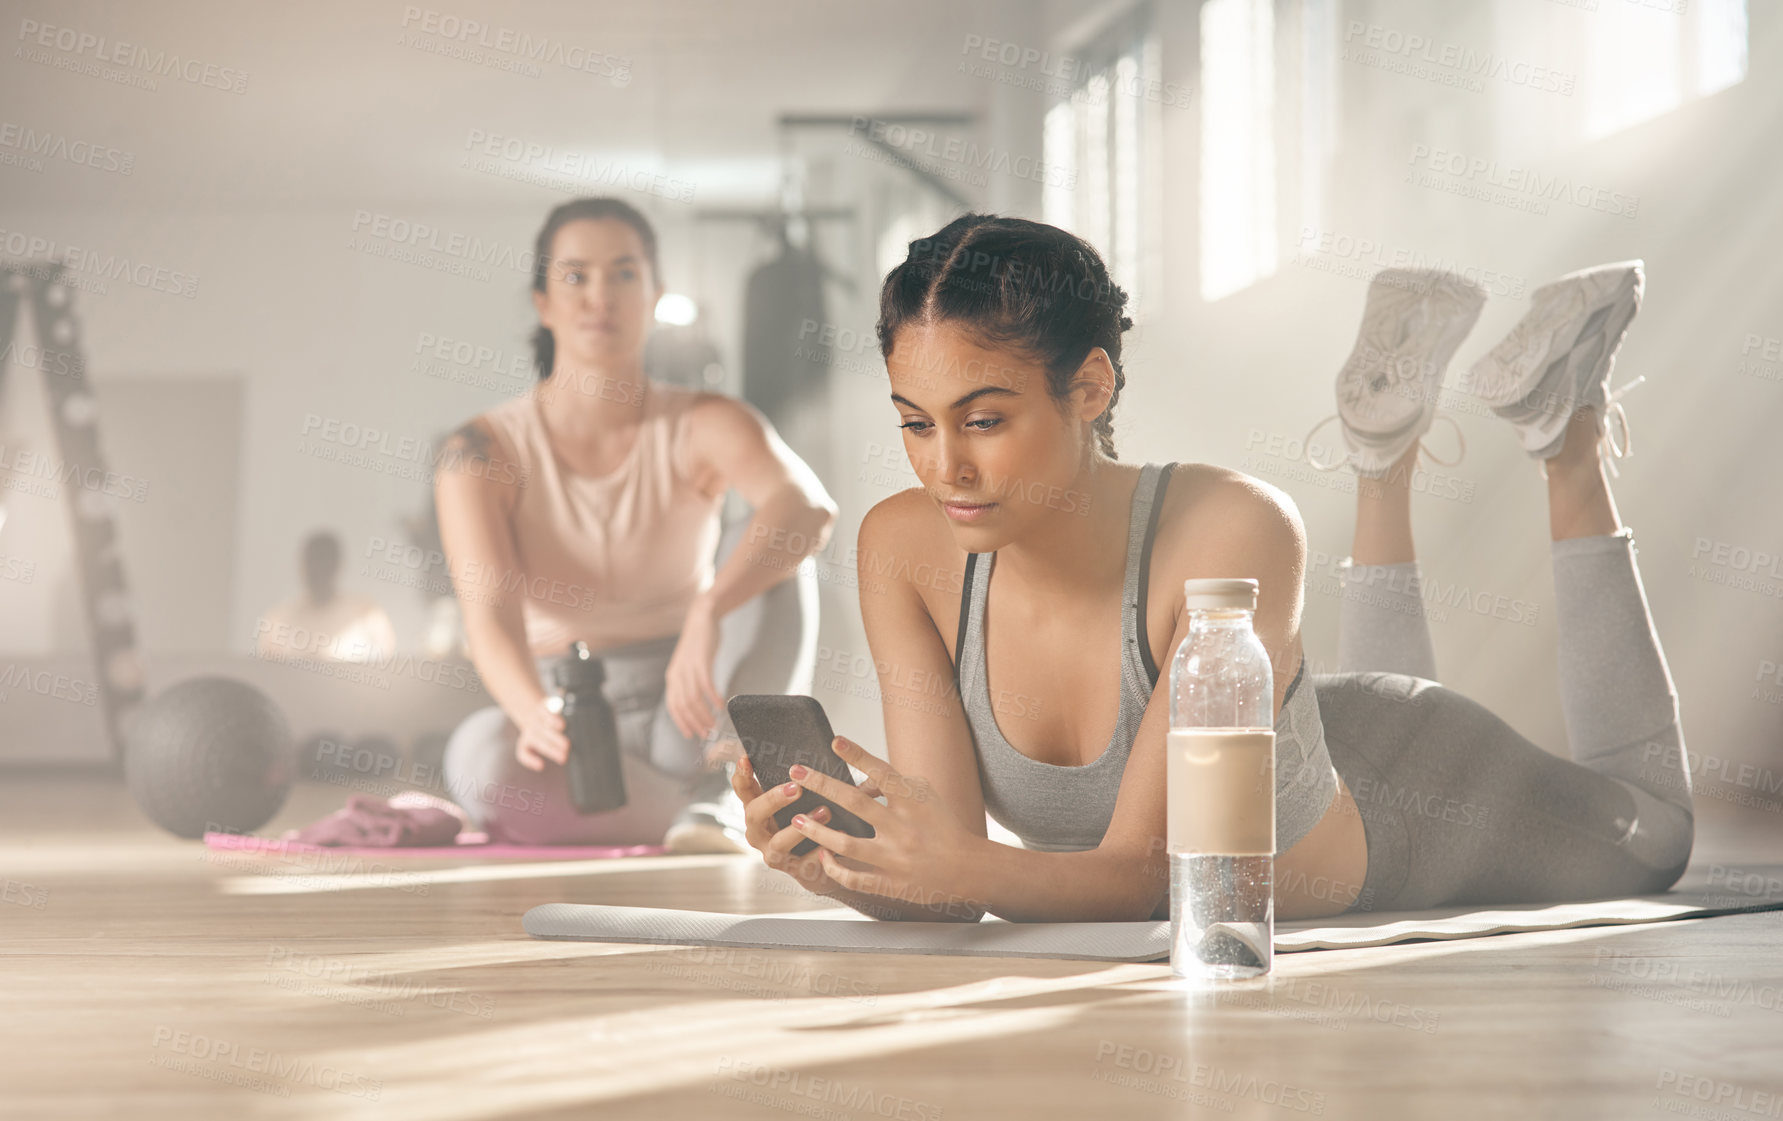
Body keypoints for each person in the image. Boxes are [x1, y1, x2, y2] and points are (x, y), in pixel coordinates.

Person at [731, 214, 1692, 922]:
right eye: (914, 423)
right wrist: (841, 863)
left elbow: (1168, 876)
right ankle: (1383, 448)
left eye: (984, 419)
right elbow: (952, 881)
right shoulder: (903, 545)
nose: (945, 466)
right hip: (1296, 726)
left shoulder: (1229, 525)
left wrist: (954, 868)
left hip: (1418, 784)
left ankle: (1564, 438)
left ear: (1090, 385)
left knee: (1660, 836)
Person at [436, 197, 834, 850]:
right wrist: (529, 712)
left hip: (693, 701)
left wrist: (709, 608)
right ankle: (721, 807)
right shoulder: (480, 450)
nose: (601, 296)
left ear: (654, 294)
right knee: (481, 755)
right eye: (575, 275)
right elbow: (489, 616)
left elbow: (810, 508)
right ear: (542, 301)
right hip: (569, 715)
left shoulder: (707, 419)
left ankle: (720, 788)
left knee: (782, 543)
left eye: (624, 274)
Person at [255, 530, 396, 664]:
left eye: (323, 561)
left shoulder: (366, 613)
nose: (316, 570)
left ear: (336, 565)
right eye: (311, 562)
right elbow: (268, 674)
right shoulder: (278, 619)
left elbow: (387, 663)